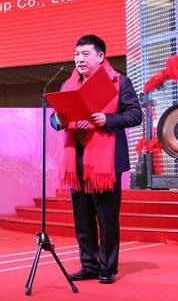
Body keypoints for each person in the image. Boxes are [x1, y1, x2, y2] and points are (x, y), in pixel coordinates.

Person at [50, 34, 142, 284]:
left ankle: (108, 267)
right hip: (76, 157)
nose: (79, 59)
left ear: (101, 56)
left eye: (85, 54)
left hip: (105, 161)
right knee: (82, 218)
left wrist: (108, 120)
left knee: (106, 218)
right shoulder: (68, 85)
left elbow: (135, 115)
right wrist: (57, 120)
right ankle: (89, 265)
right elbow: (55, 119)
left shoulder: (119, 82)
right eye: (76, 54)